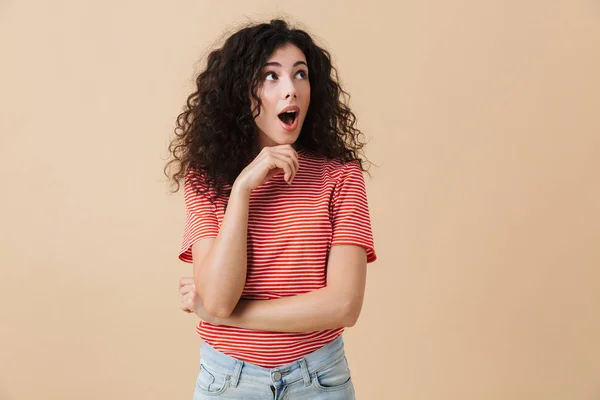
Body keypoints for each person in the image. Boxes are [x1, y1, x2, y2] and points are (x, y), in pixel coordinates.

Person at [164, 18, 377, 400]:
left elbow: (344, 305)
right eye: (271, 77)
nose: (291, 90)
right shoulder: (207, 178)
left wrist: (226, 317)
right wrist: (244, 187)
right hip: (228, 381)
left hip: (319, 380)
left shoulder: (341, 177)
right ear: (242, 92)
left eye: (300, 75)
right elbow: (217, 297)